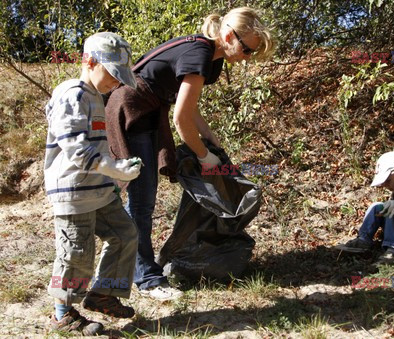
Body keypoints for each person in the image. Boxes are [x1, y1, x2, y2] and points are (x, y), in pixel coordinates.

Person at [105, 7, 275, 299]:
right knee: (142, 200)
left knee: (143, 199)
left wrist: (209, 138)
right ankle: (146, 278)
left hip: (149, 110)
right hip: (132, 111)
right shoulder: (199, 54)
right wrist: (204, 157)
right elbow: (180, 119)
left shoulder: (211, 58)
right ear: (227, 35)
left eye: (252, 53)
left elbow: (188, 105)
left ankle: (140, 267)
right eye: (246, 49)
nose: (246, 57)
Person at [44, 32, 141, 335]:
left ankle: (103, 293)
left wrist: (113, 176)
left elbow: (97, 147)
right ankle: (63, 313)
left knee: (125, 234)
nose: (117, 82)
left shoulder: (95, 96)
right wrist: (114, 168)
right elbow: (74, 146)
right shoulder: (72, 93)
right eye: (113, 73)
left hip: (98, 189)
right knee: (76, 253)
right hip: (74, 192)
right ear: (89, 61)